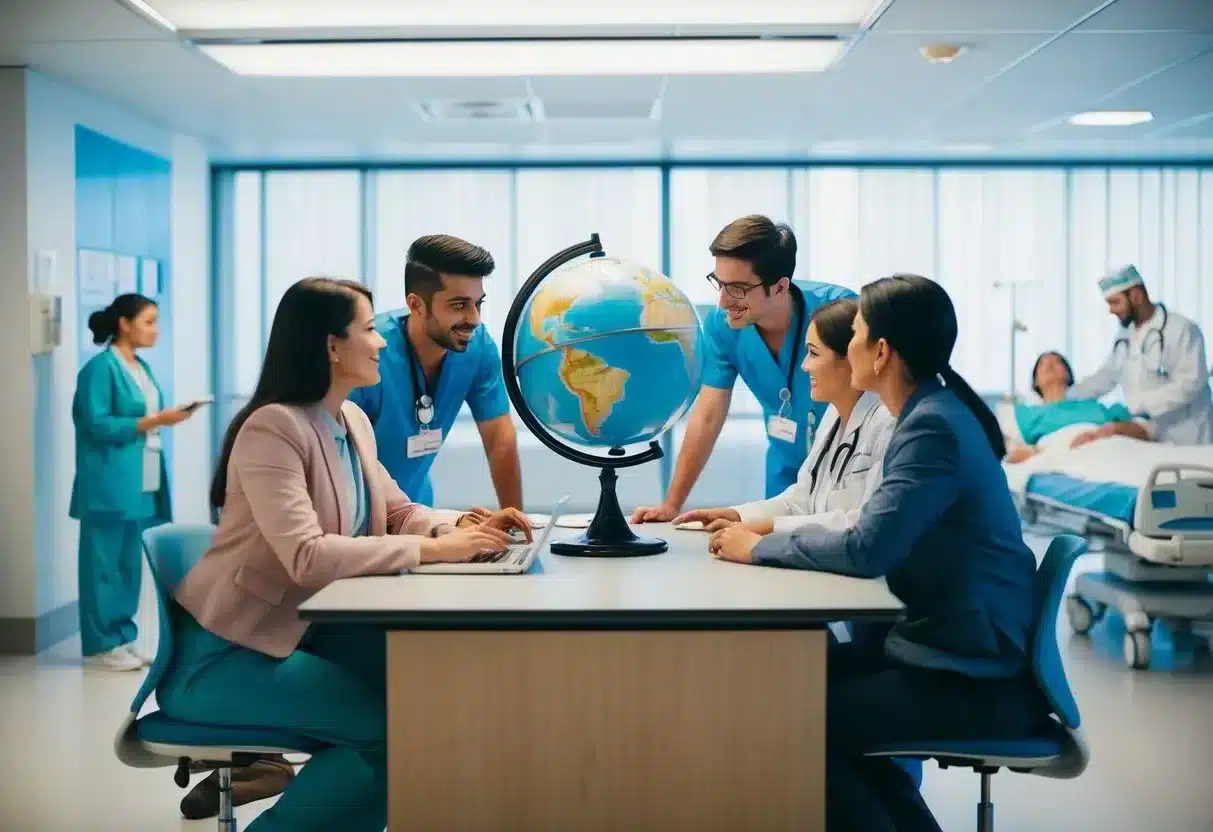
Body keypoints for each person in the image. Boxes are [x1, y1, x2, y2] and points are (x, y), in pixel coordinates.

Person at [157, 277, 531, 832]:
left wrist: (461, 526)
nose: (381, 342)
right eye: (368, 329)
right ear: (331, 346)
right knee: (390, 728)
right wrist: (433, 550)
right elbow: (305, 556)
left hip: (302, 635)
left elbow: (399, 511)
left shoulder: (350, 419)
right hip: (231, 657)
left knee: (428, 692)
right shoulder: (273, 428)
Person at [709, 274, 1049, 832]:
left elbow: (869, 546)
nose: (846, 346)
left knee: (794, 721)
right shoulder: (931, 413)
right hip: (947, 645)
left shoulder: (930, 427)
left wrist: (761, 547)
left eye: (856, 334)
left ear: (882, 351)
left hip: (971, 672)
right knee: (786, 688)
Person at [632, 216, 854, 523]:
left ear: (780, 287)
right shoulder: (722, 326)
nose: (723, 302)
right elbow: (708, 415)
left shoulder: (841, 313)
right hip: (786, 477)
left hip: (847, 470)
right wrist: (672, 504)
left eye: (737, 288)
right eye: (719, 284)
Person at [672, 298, 895, 538]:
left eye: (813, 353)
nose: (805, 366)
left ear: (850, 357)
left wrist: (765, 528)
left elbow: (865, 522)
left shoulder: (888, 424)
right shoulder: (833, 416)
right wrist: (737, 515)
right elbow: (801, 500)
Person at [70, 293, 198, 672]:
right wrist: (156, 421)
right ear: (124, 324)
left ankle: (122, 638)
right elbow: (97, 424)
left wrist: (163, 418)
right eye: (148, 322)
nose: (156, 330)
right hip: (108, 482)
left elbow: (142, 416)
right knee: (103, 566)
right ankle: (101, 645)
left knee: (127, 564)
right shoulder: (99, 369)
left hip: (142, 480)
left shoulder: (140, 367)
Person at [349, 234, 523, 509]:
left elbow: (499, 436)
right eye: (459, 305)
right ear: (416, 305)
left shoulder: (477, 347)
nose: (474, 319)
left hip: (417, 512)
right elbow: (334, 459)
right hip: (357, 518)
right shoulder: (367, 352)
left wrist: (514, 521)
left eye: (478, 303)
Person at [1068, 265, 1213, 444]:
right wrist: (1067, 396)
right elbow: (1107, 375)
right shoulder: (1125, 335)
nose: (1111, 310)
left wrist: (1139, 405)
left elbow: (1191, 383)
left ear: (1136, 296)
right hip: (1148, 434)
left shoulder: (1182, 329)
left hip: (1187, 435)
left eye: (1115, 302)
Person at [1002, 350, 1150, 463]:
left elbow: (1145, 431)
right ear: (1035, 382)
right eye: (1042, 363)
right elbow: (1006, 454)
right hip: (1066, 458)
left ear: (1068, 375)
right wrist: (1040, 453)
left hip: (1113, 451)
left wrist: (1109, 430)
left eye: (1058, 361)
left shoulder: (1096, 407)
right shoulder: (1025, 415)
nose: (1050, 364)